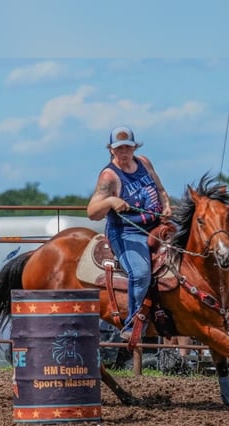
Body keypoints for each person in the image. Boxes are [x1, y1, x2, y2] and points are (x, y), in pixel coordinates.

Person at [87, 126, 172, 341]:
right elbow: (92, 212)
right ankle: (133, 321)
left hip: (156, 225)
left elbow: (161, 190)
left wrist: (167, 206)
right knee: (141, 273)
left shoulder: (144, 162)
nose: (124, 152)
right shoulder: (109, 177)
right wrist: (110, 201)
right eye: (119, 148)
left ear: (134, 147)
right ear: (111, 150)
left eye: (128, 147)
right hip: (127, 232)